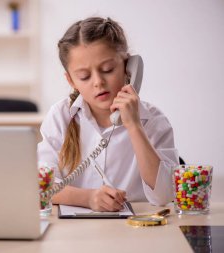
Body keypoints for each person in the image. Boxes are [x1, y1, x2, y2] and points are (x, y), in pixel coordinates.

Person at [37, 17, 179, 211]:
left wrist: (134, 125)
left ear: (128, 67)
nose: (98, 82)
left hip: (138, 230)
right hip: (74, 233)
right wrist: (87, 198)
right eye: (84, 76)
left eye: (107, 69)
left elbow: (165, 195)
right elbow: (41, 186)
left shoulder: (153, 120)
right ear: (71, 81)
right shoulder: (60, 116)